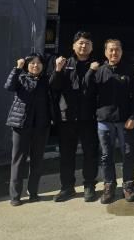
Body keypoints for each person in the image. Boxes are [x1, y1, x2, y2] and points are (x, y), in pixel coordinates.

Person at [87, 39, 134, 204]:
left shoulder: (130, 71)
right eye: (110, 50)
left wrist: (133, 116)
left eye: (117, 50)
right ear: (105, 52)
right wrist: (90, 72)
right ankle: (109, 186)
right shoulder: (99, 71)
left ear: (121, 51)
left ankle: (128, 186)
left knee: (128, 153)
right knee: (106, 155)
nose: (114, 53)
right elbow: (88, 92)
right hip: (104, 121)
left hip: (125, 120)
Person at [49, 31, 99, 202]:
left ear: (92, 47)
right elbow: (54, 87)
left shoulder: (97, 65)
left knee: (90, 153)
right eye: (80, 43)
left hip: (89, 117)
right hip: (67, 118)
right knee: (66, 154)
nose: (83, 46)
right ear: (73, 46)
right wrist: (57, 70)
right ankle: (67, 187)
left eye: (87, 43)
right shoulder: (64, 63)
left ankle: (89, 185)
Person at [5, 53, 52, 206]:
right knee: (18, 160)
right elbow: (9, 86)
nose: (35, 65)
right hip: (21, 125)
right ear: (27, 65)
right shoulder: (20, 77)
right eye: (32, 63)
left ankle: (33, 193)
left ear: (43, 66)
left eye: (39, 63)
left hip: (41, 125)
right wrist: (17, 68)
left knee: (37, 160)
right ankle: (15, 196)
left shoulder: (46, 80)